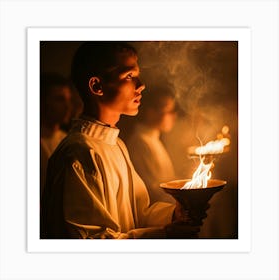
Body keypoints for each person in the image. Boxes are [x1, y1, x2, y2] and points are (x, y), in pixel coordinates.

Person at [40, 42, 199, 239]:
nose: (141, 85)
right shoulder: (79, 153)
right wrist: (163, 236)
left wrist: (174, 215)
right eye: (129, 76)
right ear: (97, 86)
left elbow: (138, 213)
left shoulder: (116, 144)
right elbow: (90, 240)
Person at [126, 83, 177, 204]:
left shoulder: (154, 139)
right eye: (167, 110)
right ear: (150, 112)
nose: (174, 116)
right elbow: (153, 191)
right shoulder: (140, 143)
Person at [40, 73, 72, 199]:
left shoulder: (68, 140)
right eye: (59, 99)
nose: (67, 106)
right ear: (43, 102)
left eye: (68, 99)